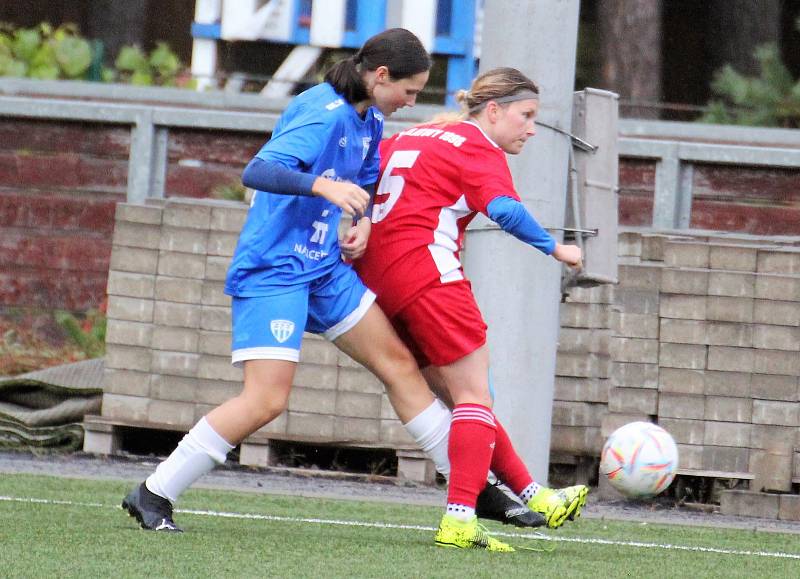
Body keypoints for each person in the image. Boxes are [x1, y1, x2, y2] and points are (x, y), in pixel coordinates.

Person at [120, 29, 536, 536]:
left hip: (324, 270)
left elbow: (365, 174)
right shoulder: (322, 110)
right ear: (380, 76)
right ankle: (155, 491)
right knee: (266, 401)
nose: (411, 102)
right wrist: (321, 185)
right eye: (408, 91)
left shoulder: (370, 116)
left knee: (400, 365)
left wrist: (360, 220)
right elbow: (259, 169)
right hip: (275, 270)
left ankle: (471, 491)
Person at [354, 67, 589, 552]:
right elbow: (502, 210)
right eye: (526, 117)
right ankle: (460, 516)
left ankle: (533, 494)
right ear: (494, 110)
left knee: (465, 398)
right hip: (429, 275)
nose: (530, 129)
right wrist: (554, 247)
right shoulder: (477, 145)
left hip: (378, 280)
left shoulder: (415, 133)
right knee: (476, 398)